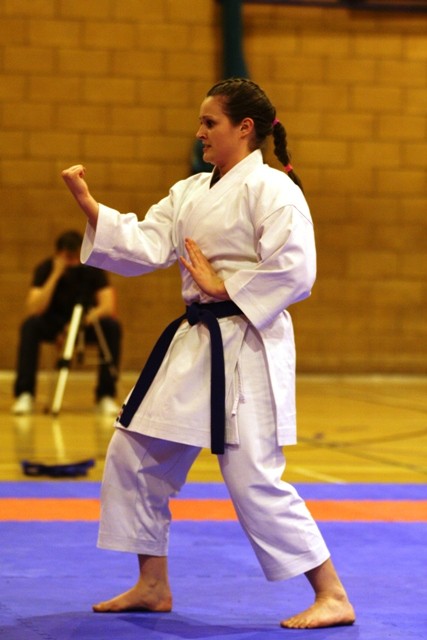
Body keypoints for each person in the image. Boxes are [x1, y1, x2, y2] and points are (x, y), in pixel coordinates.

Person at [61, 78, 355, 629]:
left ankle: (332, 593)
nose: (199, 132)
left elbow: (297, 268)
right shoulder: (191, 191)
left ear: (244, 129)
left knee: (253, 478)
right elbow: (149, 242)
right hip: (195, 342)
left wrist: (227, 287)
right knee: (134, 453)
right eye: (200, 122)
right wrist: (92, 208)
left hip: (247, 343)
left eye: (209, 122)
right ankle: (152, 584)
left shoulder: (273, 189)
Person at [12, 230, 121, 416]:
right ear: (58, 254)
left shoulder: (92, 269)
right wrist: (56, 274)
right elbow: (34, 307)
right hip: (53, 324)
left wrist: (79, 324)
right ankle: (25, 394)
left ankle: (105, 396)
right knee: (30, 326)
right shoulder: (45, 269)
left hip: (84, 324)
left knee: (112, 327)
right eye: (68, 257)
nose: (73, 262)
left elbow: (107, 306)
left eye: (76, 256)